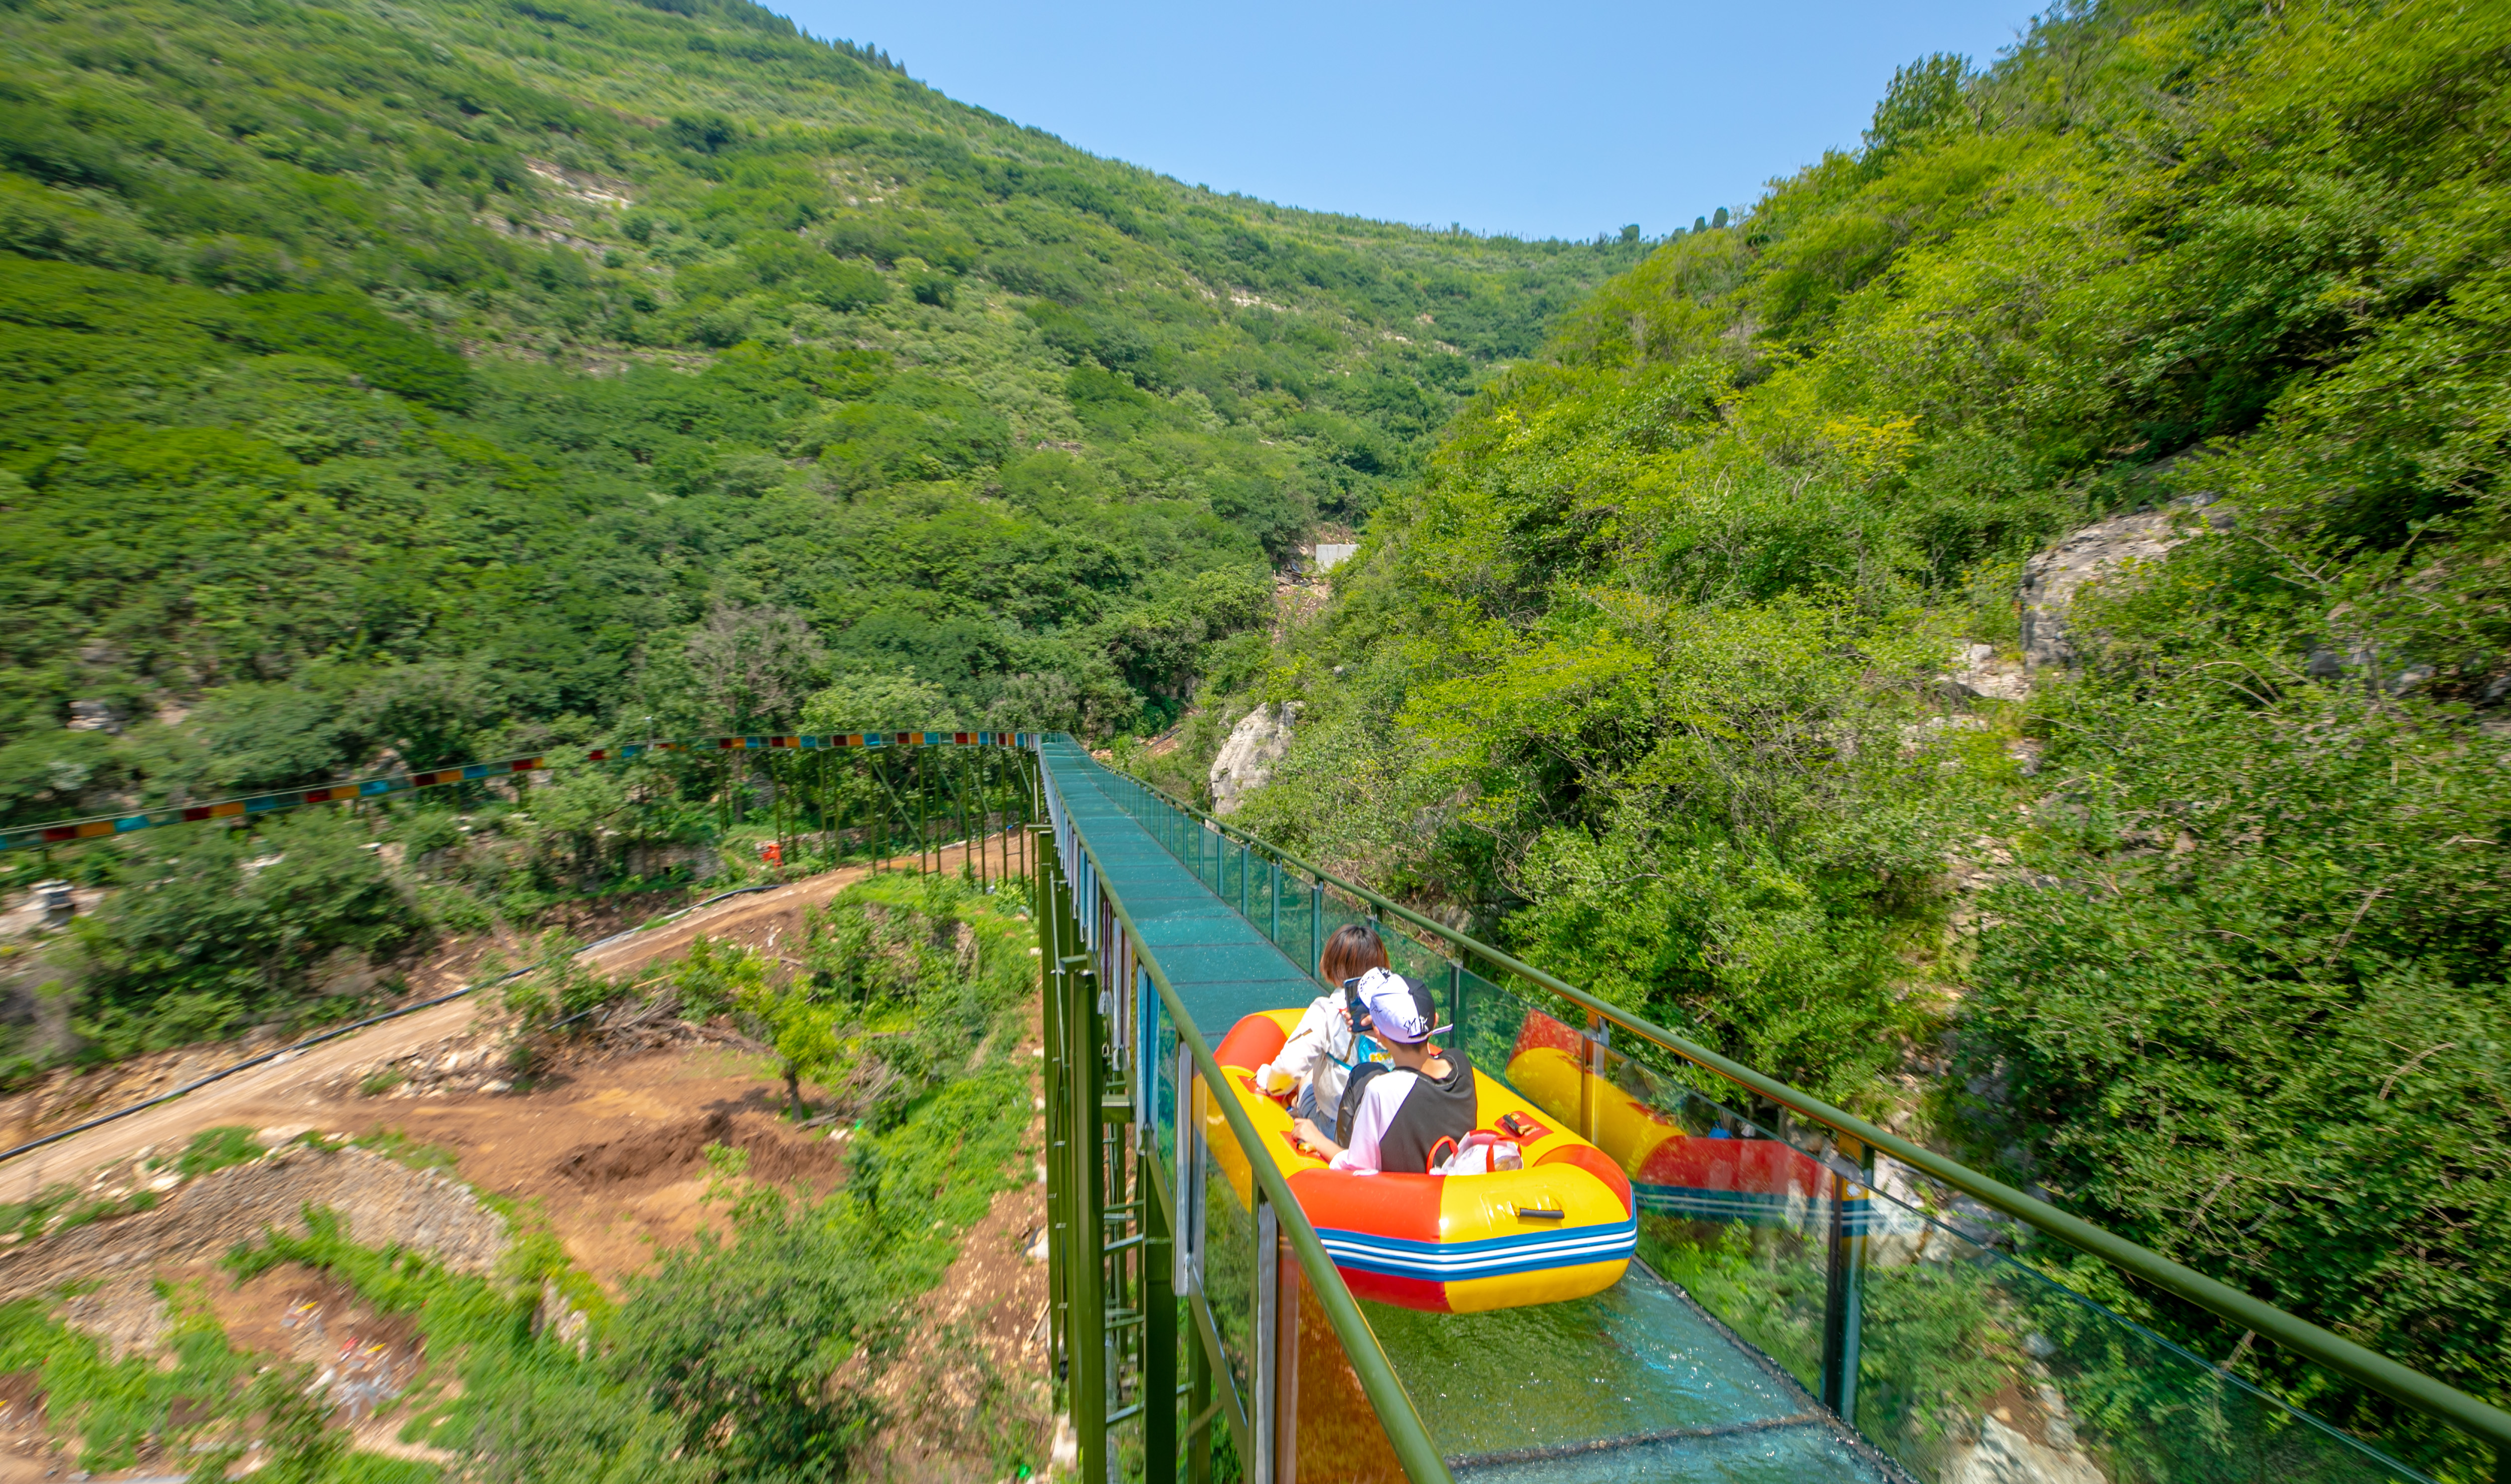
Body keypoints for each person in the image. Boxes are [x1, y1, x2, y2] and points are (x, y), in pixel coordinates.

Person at [1293, 968, 1475, 1174]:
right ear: (1435, 1020)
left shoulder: (1381, 1091)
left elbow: (1356, 1168)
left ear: (1378, 1033)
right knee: (1371, 1070)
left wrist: (1317, 1138)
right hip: (1448, 1181)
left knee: (1365, 1073)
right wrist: (1384, 1034)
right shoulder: (1460, 1063)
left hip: (1398, 1189)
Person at [1255, 924, 1389, 1124]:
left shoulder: (1327, 1011)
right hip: (1384, 1124)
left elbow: (1289, 1069)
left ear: (1333, 964)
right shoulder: (1394, 1009)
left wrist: (1268, 1080)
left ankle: (1298, 1104)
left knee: (1306, 1077)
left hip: (1337, 1126)